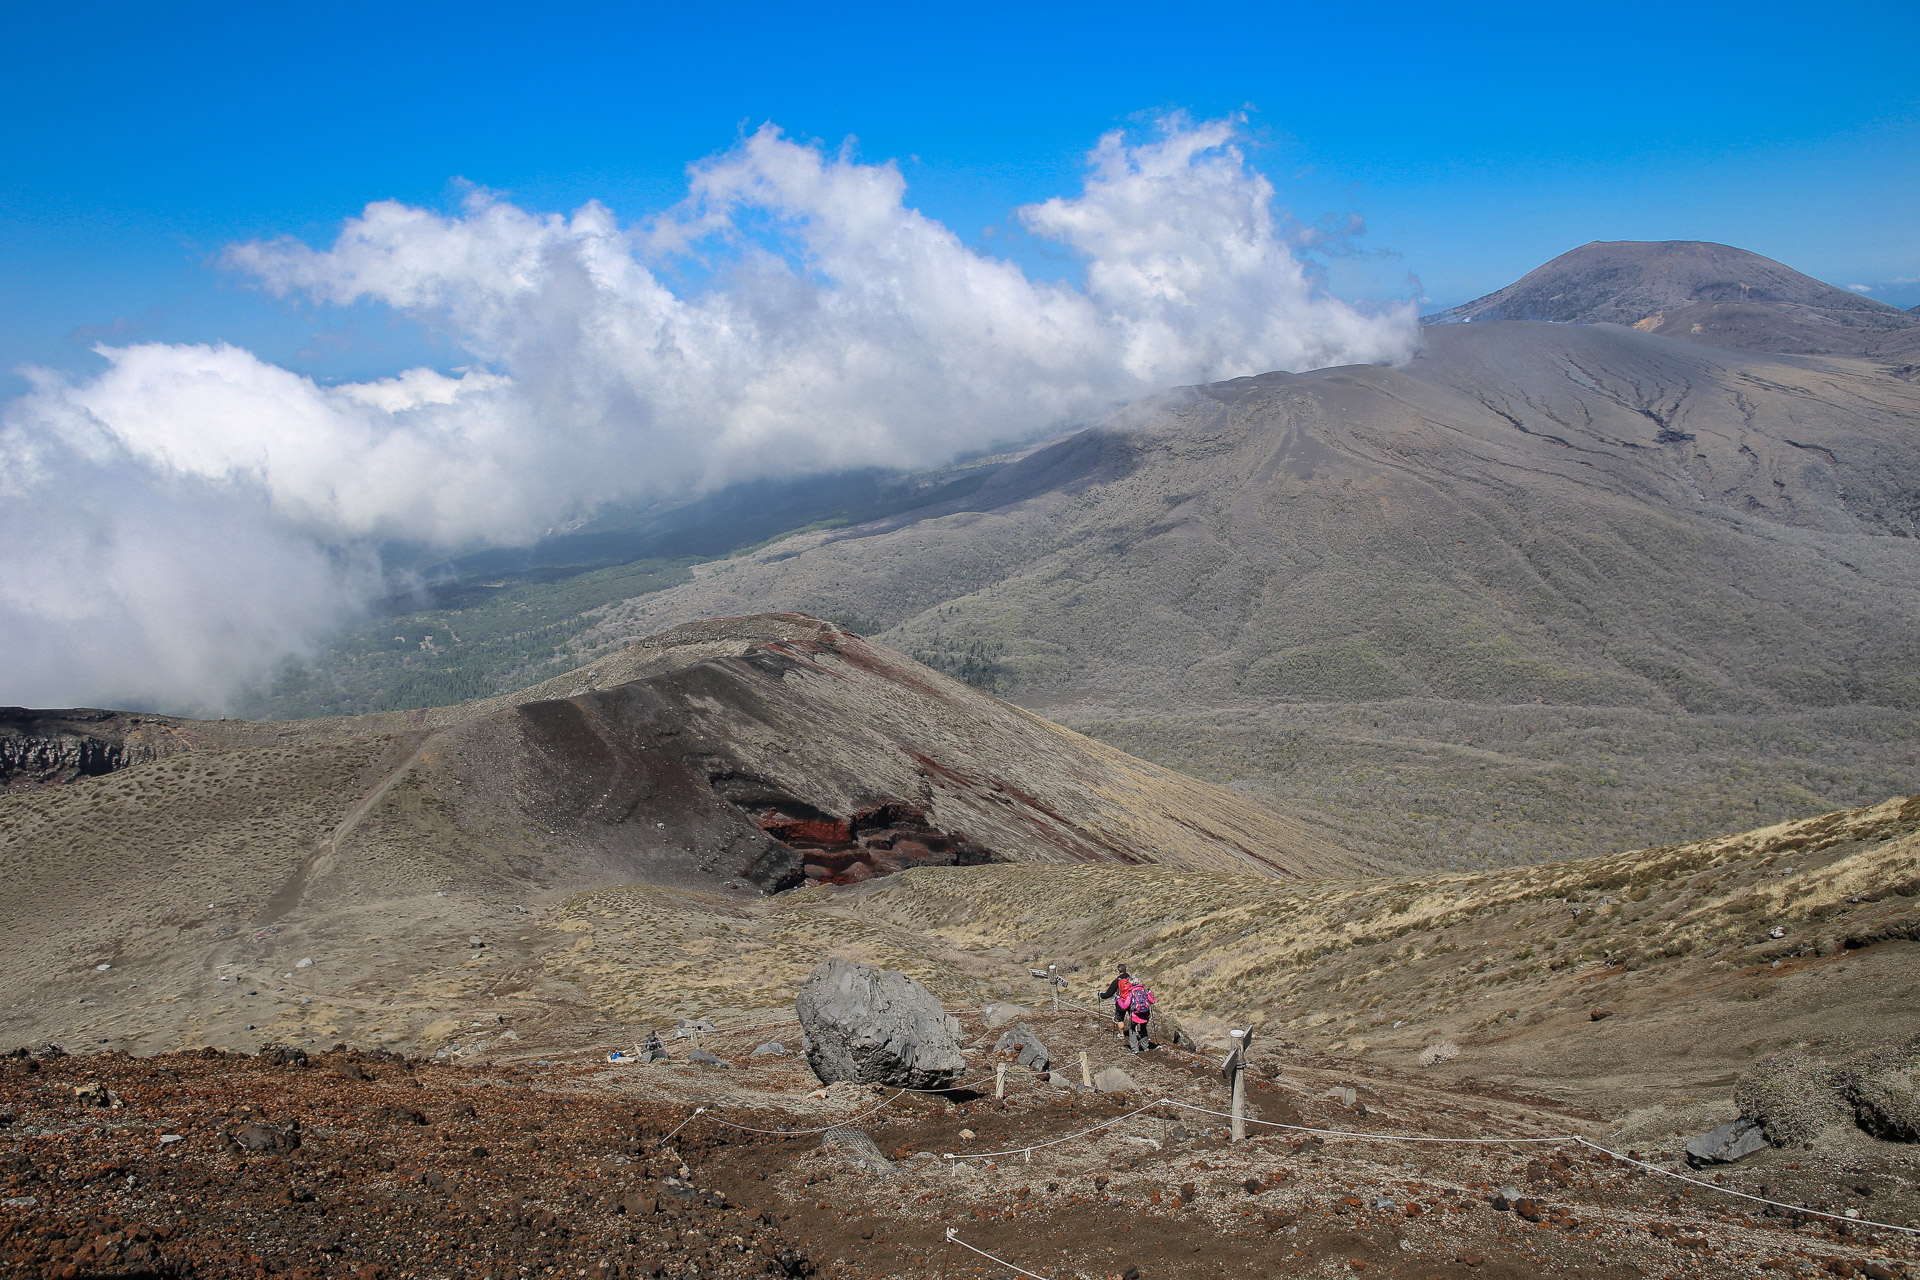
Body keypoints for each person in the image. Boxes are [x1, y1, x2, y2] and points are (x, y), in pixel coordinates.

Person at [1098, 966, 1134, 1040]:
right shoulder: (1131, 979)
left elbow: (1108, 994)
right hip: (1131, 1002)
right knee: (1133, 1018)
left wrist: (1100, 995)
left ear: (1118, 971)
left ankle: (1122, 1035)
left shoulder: (1117, 981)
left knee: (1120, 1019)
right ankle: (1134, 1032)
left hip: (1121, 1002)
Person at [1125, 980, 1156, 1053]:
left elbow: (1125, 1006)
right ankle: (1145, 1047)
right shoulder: (1144, 991)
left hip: (1135, 1015)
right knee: (1143, 1028)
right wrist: (1150, 994)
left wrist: (1118, 999)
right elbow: (1152, 1001)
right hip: (1144, 1014)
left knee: (1132, 1030)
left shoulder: (1131, 993)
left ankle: (1135, 1048)